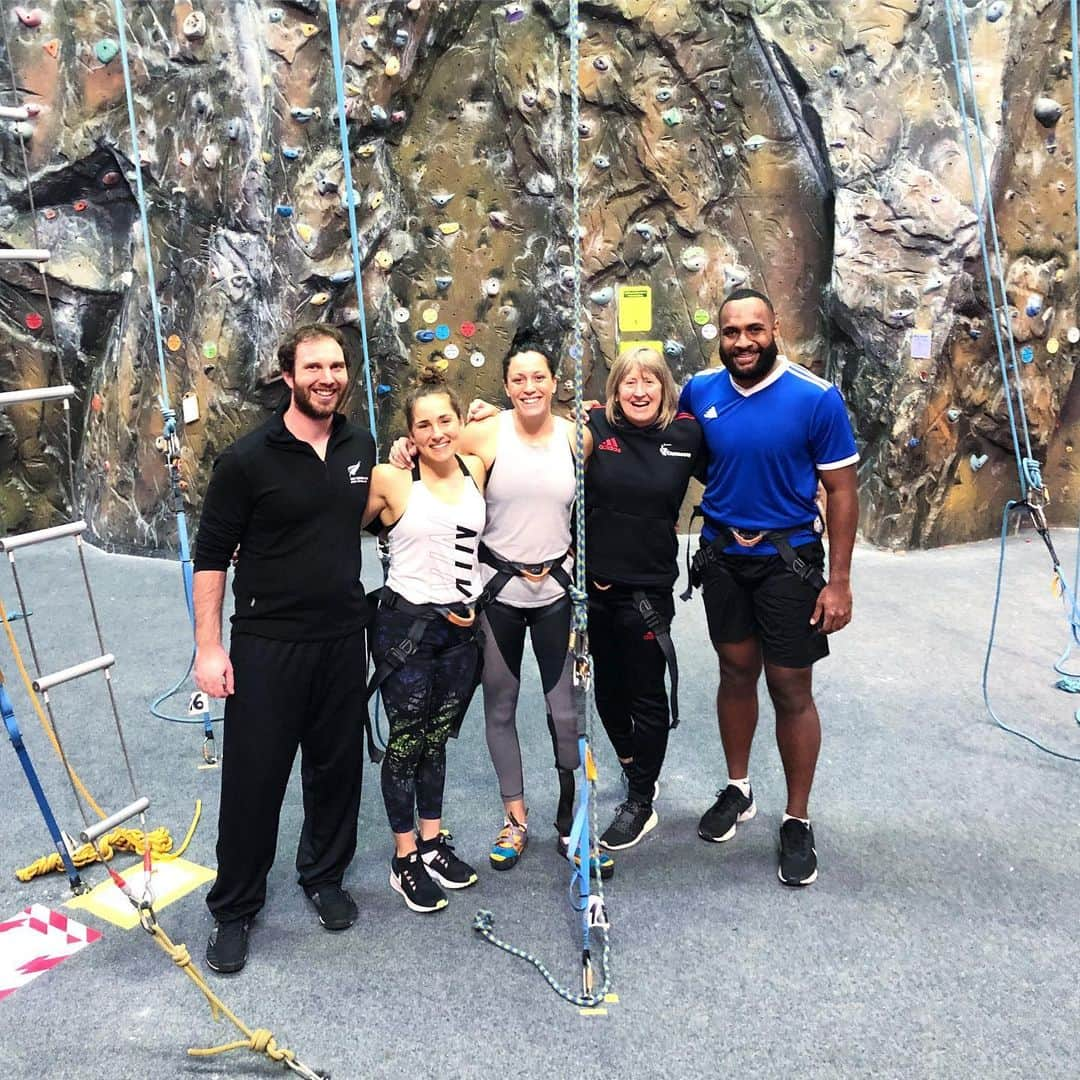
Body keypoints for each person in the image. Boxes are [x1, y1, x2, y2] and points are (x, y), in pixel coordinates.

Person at [390, 336, 612, 878]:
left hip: (556, 590)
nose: (530, 387)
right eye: (519, 379)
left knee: (567, 714)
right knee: (501, 707)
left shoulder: (575, 439)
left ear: (555, 382)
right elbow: (436, 450)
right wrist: (403, 449)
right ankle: (515, 817)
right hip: (498, 595)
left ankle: (572, 822)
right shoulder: (482, 434)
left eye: (539, 377)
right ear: (507, 386)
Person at [193, 324, 374, 973]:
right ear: (289, 376)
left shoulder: (360, 443)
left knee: (337, 772)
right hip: (268, 645)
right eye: (314, 367)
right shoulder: (246, 461)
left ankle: (324, 877)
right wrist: (208, 647)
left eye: (336, 366)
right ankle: (235, 908)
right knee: (254, 782)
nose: (328, 377)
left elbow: (354, 514)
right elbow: (212, 555)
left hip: (342, 641)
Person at [679, 288, 858, 886]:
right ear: (720, 336)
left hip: (790, 562)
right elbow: (682, 453)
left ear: (775, 327)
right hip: (724, 556)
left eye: (754, 329)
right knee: (734, 670)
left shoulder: (815, 397)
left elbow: (842, 491)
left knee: (789, 684)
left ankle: (797, 819)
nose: (743, 342)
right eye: (732, 332)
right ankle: (738, 789)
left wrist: (838, 582)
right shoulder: (700, 392)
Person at [363, 373, 486, 913]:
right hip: (406, 631)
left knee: (437, 739)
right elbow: (335, 524)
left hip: (462, 632)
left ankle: (433, 843)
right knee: (407, 742)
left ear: (459, 422)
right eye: (423, 424)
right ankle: (404, 856)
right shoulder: (391, 478)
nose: (437, 431)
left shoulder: (476, 466)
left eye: (445, 419)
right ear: (409, 434)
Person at [584, 346, 703, 851]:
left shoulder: (687, 434)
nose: (638, 391)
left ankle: (640, 800)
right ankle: (637, 769)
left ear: (664, 388)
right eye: (628, 382)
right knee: (607, 692)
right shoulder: (594, 425)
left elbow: (739, 469)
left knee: (646, 694)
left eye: (649, 382)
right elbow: (533, 432)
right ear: (614, 390)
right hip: (591, 590)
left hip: (647, 593)